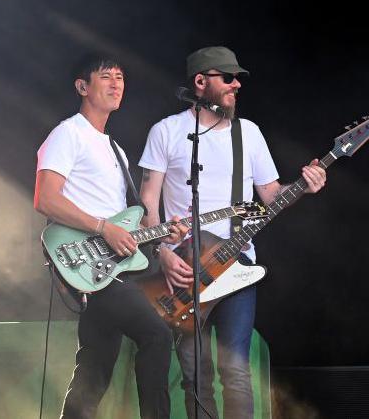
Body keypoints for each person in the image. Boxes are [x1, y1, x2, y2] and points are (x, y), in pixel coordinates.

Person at [137, 46, 327, 419]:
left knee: (236, 372)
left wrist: (304, 185)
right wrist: (162, 253)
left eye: (237, 78)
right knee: (194, 374)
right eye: (227, 77)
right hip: (185, 269)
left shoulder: (249, 133)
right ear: (200, 81)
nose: (236, 84)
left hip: (238, 264)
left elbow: (271, 196)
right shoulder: (167, 131)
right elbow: (148, 203)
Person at [34, 56, 186, 419]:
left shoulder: (113, 148)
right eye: (106, 77)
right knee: (156, 336)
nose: (116, 83)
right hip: (90, 262)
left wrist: (166, 232)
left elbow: (129, 220)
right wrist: (104, 228)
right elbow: (45, 199)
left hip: (111, 266)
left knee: (94, 366)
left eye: (120, 77)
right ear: (82, 86)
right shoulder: (68, 133)